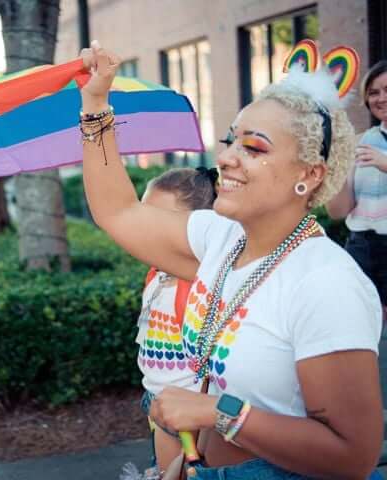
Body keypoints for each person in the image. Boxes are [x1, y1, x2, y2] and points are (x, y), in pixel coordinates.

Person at [80, 41, 382, 479]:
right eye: (229, 141)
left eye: (254, 148)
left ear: (309, 174)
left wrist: (217, 412)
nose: (225, 158)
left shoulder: (325, 283)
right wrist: (96, 104)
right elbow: (118, 211)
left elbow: (351, 457)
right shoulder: (220, 239)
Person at [135, 168, 217, 474]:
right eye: (142, 218)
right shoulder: (155, 274)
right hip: (156, 402)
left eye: (160, 221)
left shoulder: (201, 286)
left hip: (190, 414)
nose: (145, 230)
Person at [327, 60, 387, 321]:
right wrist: (336, 170)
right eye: (374, 92)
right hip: (361, 246)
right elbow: (338, 211)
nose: (381, 98)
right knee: (361, 327)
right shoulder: (360, 141)